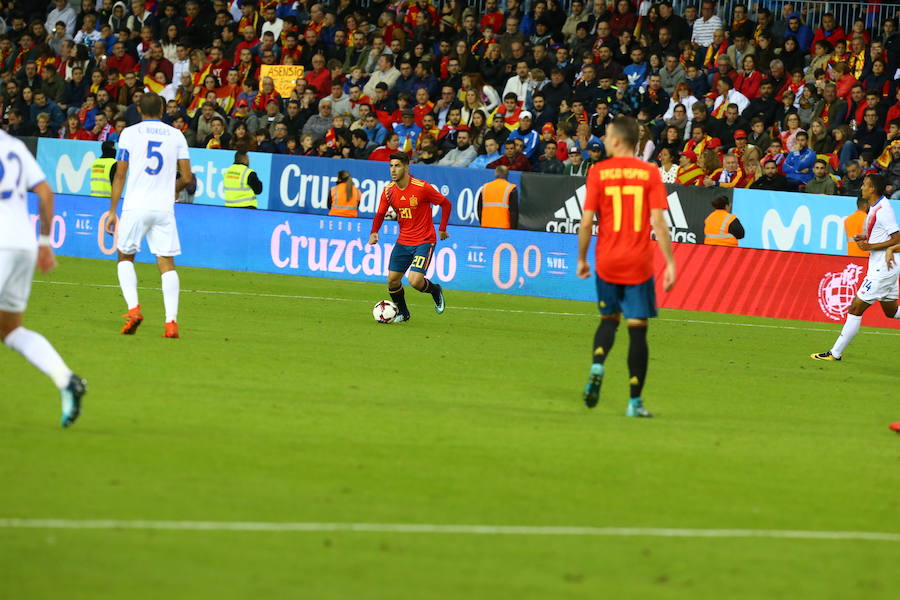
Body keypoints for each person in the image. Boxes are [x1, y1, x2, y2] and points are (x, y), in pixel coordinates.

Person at [577, 115, 676, 418]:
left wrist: (582, 258)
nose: (603, 140)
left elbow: (586, 221)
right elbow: (659, 222)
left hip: (607, 260)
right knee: (637, 331)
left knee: (608, 320)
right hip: (638, 263)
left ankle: (597, 364)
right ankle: (634, 402)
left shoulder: (597, 172)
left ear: (618, 140)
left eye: (606, 135)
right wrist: (670, 263)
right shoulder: (649, 173)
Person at [0, 129, 87, 427]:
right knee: (10, 330)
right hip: (23, 244)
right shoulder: (14, 146)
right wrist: (45, 242)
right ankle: (66, 380)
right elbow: (46, 193)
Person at [105, 93, 194, 339]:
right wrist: (171, 191)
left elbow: (120, 175)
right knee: (166, 264)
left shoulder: (129, 134)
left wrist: (112, 210)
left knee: (125, 256)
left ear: (138, 109)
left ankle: (134, 310)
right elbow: (187, 178)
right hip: (163, 208)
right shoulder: (177, 135)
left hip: (135, 206)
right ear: (163, 109)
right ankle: (171, 323)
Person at [812, 175, 900, 361]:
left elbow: (897, 239)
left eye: (865, 185)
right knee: (891, 312)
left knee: (855, 308)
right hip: (883, 265)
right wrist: (866, 238)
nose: (861, 187)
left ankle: (835, 353)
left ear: (873, 189)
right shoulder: (876, 207)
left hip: (883, 268)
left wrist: (870, 247)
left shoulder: (883, 210)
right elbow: (883, 235)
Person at [368, 153, 451, 323]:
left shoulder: (421, 187)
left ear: (406, 167)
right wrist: (374, 232)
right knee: (392, 280)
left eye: (397, 165)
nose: (393, 169)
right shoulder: (389, 191)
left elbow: (446, 203)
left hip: (424, 240)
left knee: (415, 281)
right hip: (403, 241)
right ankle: (403, 313)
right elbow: (380, 213)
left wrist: (442, 228)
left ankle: (435, 290)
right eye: (391, 166)